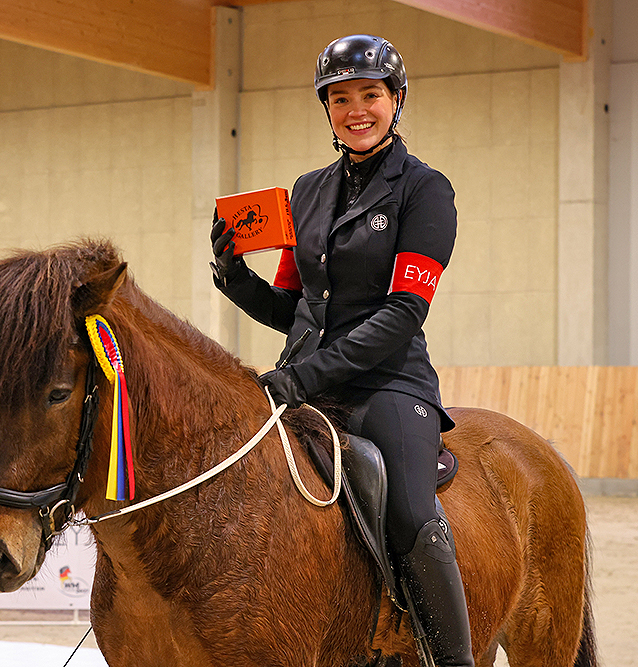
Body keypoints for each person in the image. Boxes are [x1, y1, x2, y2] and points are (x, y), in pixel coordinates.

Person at [210, 35, 473, 666]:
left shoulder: (426, 191)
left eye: (370, 95)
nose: (357, 109)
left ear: (396, 100)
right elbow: (296, 309)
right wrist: (233, 277)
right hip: (307, 379)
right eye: (341, 98)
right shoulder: (306, 192)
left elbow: (404, 313)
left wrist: (298, 380)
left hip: (391, 381)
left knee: (410, 513)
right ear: (327, 107)